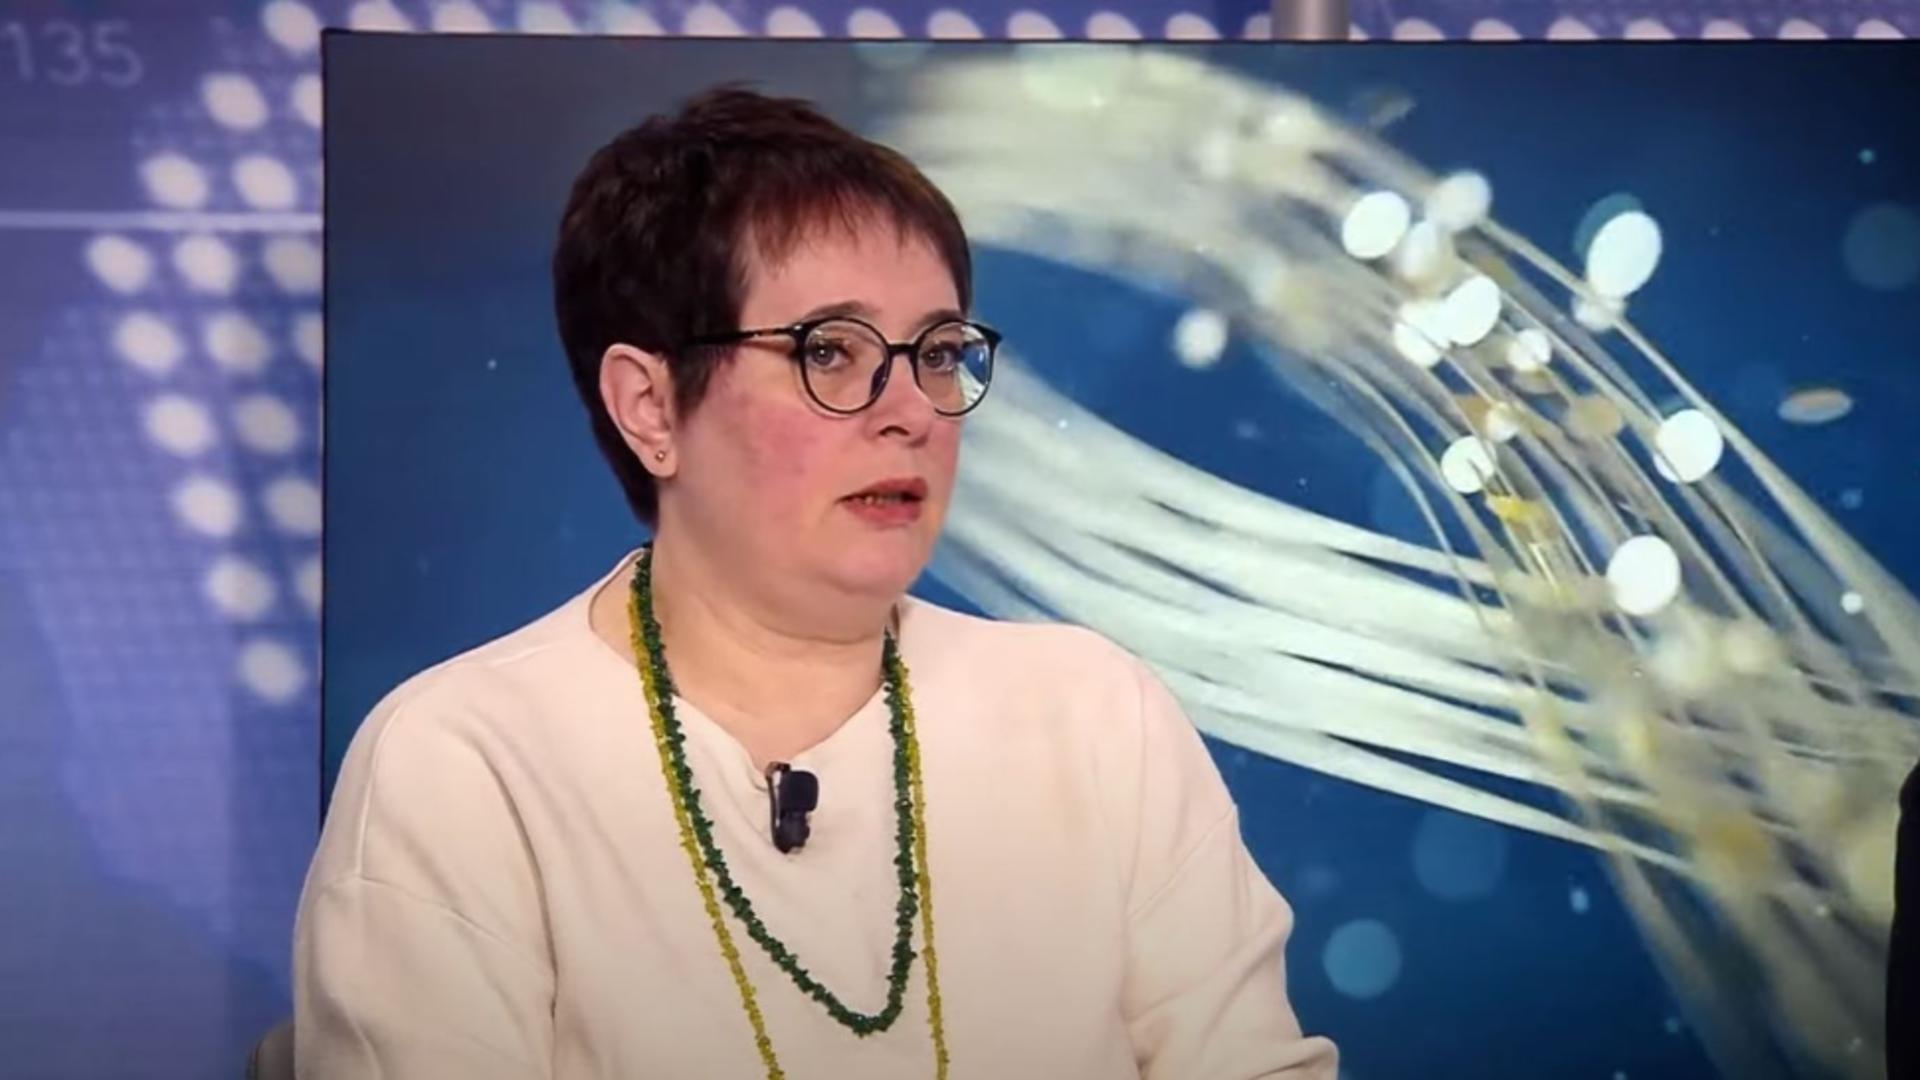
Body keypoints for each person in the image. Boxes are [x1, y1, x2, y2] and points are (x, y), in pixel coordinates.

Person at [293, 83, 1338, 1080]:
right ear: (650, 406)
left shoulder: (1096, 715)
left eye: (939, 352)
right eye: (830, 351)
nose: (912, 411)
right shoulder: (466, 763)